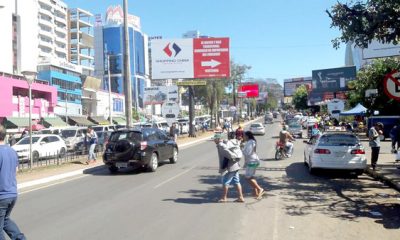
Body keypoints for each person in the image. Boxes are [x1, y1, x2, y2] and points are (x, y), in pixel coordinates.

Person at [0, 125, 26, 239]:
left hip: (1, 196)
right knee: (5, 220)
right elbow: (15, 170)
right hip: (12, 193)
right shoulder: (12, 151)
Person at [214, 133, 245, 203]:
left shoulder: (221, 145)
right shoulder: (226, 143)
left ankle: (224, 198)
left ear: (218, 139)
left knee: (225, 182)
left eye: (215, 139)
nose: (214, 140)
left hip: (230, 167)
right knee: (237, 182)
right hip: (235, 166)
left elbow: (228, 154)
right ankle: (241, 197)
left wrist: (233, 157)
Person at [242, 131, 265, 199]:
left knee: (247, 177)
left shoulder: (250, 142)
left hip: (252, 161)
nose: (243, 137)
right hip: (253, 161)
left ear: (247, 136)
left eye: (244, 136)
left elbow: (247, 153)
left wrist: (241, 149)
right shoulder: (251, 142)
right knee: (250, 176)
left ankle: (260, 189)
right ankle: (256, 192)